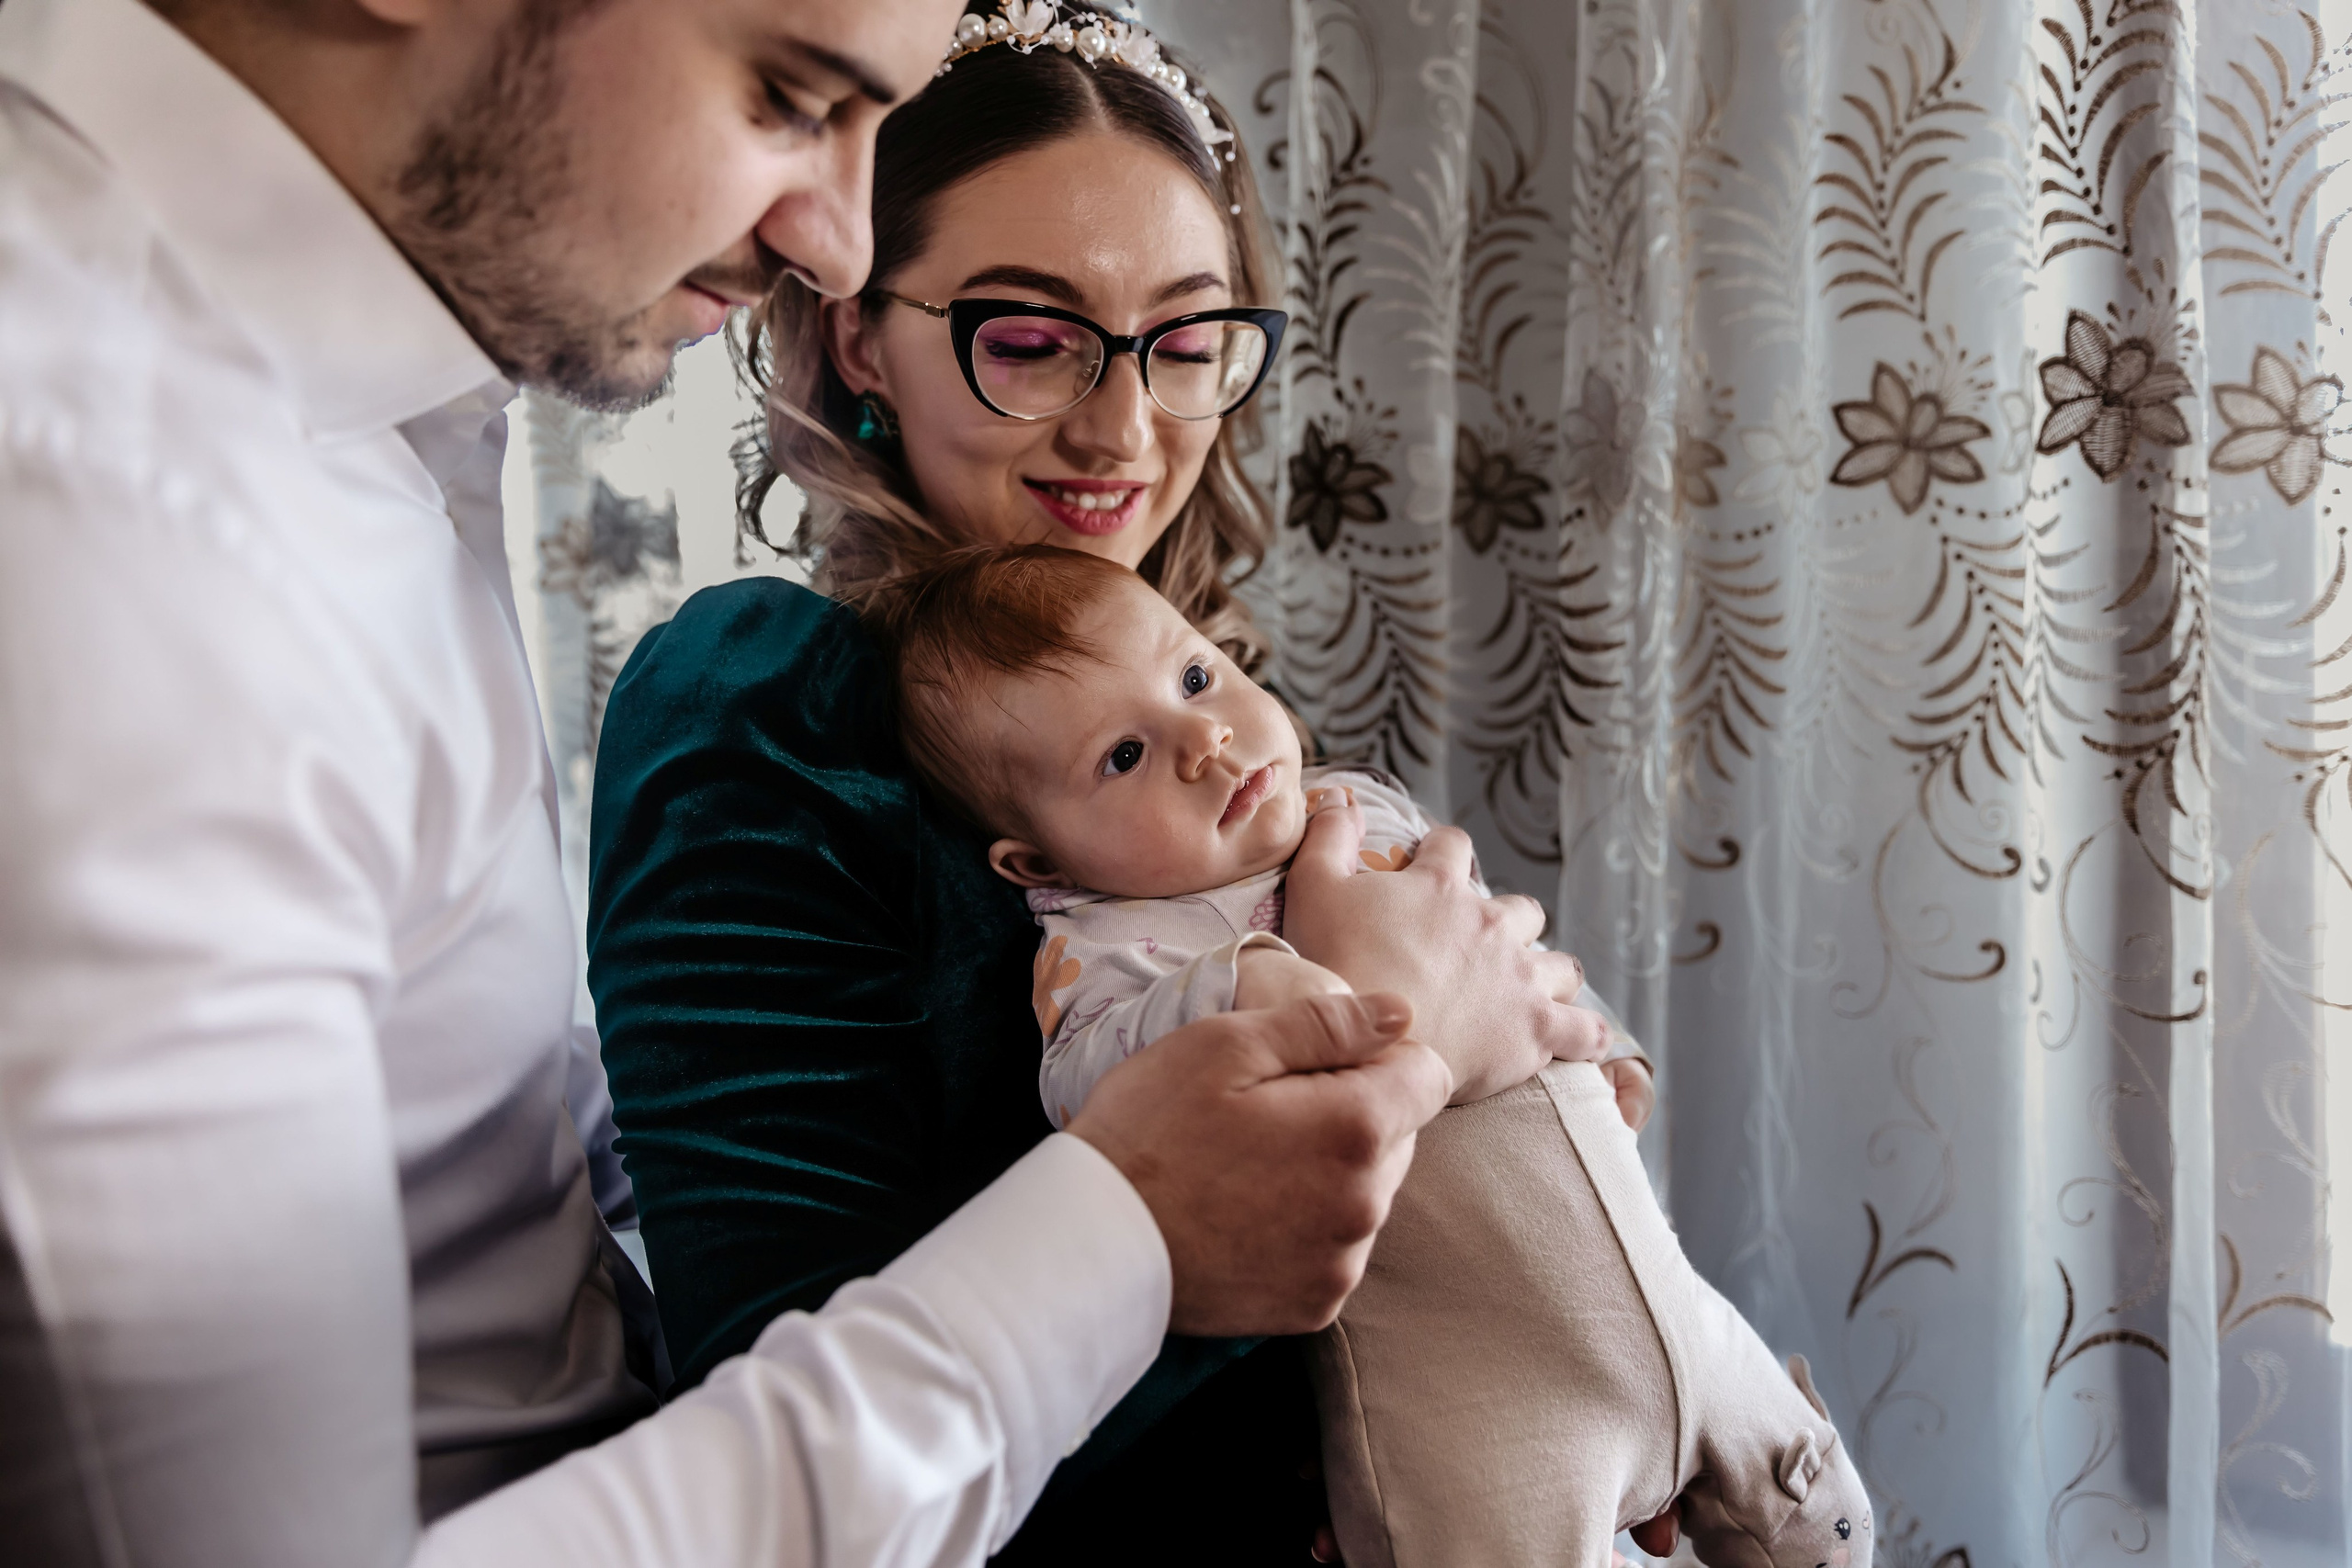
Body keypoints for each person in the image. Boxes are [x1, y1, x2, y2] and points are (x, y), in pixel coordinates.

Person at [0, 0, 1492, 1563]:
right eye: (788, 93)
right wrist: (1174, 1206)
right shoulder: (124, 528)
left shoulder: (407, 416)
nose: (831, 244)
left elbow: (495, 1133)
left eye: (1185, 342)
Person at [583, 13, 1676, 1562]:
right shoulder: (769, 702)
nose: (1122, 428)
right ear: (855, 336)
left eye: (1182, 339)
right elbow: (790, 1437)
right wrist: (1395, 1040)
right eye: (1029, 339)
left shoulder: (1215, 708)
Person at [874, 546, 1873, 1568]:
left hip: (1643, 1281)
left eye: (1192, 678)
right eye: (1122, 756)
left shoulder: (1356, 805)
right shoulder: (1110, 945)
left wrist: (1608, 1048)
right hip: (1474, 1388)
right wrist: (1250, 983)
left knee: (1821, 1518)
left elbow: (1506, 951)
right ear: (1036, 862)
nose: (1204, 739)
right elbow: (1089, 1096)